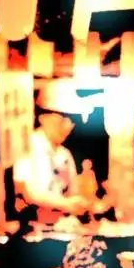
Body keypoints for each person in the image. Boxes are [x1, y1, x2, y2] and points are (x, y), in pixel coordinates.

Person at [13, 87, 91, 227]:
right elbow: (25, 192)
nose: (68, 126)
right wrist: (63, 204)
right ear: (43, 117)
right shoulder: (28, 147)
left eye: (72, 121)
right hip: (31, 226)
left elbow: (73, 193)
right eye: (63, 118)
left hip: (60, 227)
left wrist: (81, 204)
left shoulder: (65, 155)